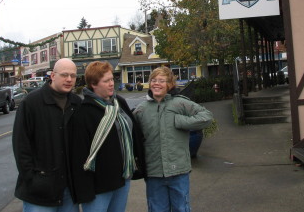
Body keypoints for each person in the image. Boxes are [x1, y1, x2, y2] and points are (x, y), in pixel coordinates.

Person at [133, 66, 213, 212]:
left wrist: (180, 121)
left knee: (181, 208)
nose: (156, 83)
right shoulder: (141, 109)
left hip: (178, 172)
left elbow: (206, 117)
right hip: (153, 173)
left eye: (161, 80)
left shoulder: (180, 103)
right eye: (154, 80)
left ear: (169, 84)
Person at [71, 61, 146, 212]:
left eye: (112, 79)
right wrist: (84, 190)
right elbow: (78, 154)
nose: (112, 84)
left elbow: (134, 132)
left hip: (123, 178)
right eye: (106, 81)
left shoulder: (119, 103)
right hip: (99, 186)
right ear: (93, 84)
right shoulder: (83, 113)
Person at [12, 58, 82, 212]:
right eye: (64, 75)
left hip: (69, 190)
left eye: (73, 75)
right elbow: (20, 144)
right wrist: (31, 178)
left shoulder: (77, 104)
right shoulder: (31, 103)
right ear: (53, 76)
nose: (69, 79)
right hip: (39, 192)